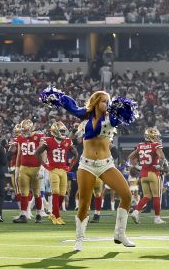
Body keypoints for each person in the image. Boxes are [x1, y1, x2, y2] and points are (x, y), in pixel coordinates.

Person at [39, 87, 139, 251]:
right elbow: (70, 106)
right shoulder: (84, 115)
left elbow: (118, 120)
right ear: (96, 102)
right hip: (87, 165)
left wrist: (124, 109)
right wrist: (57, 97)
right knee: (84, 203)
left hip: (106, 164)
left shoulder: (111, 118)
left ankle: (120, 234)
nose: (107, 104)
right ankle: (79, 239)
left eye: (108, 101)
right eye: (104, 101)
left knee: (126, 195)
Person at [39, 121, 74, 225]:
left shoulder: (67, 141)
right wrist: (45, 165)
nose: (63, 133)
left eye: (64, 131)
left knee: (63, 193)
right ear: (55, 131)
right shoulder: (48, 141)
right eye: (61, 131)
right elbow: (37, 153)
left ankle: (54, 213)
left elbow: (76, 154)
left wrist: (70, 167)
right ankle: (57, 216)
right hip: (53, 170)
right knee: (55, 192)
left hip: (63, 170)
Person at [9, 119, 44, 223]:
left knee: (37, 193)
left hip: (36, 168)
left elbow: (43, 152)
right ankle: (24, 215)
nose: (24, 133)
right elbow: (19, 154)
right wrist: (17, 168)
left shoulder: (39, 136)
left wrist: (42, 167)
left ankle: (39, 214)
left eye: (26, 130)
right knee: (24, 192)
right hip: (24, 168)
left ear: (31, 128)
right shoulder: (20, 138)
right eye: (23, 131)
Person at [131, 126, 166, 224]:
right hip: (153, 173)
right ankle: (157, 218)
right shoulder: (156, 145)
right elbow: (162, 157)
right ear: (152, 137)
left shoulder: (140, 145)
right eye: (155, 136)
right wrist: (160, 166)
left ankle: (136, 211)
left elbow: (131, 157)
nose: (157, 138)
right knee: (156, 196)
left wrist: (137, 166)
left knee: (146, 195)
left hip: (143, 174)